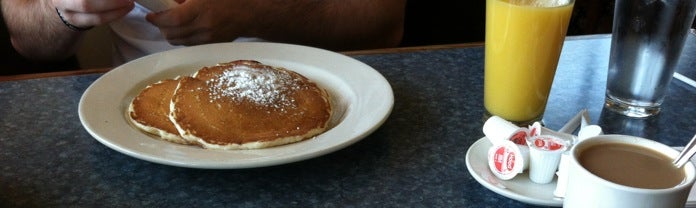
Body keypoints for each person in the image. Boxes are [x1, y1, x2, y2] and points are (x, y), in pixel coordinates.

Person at [2, 0, 406, 65]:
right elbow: (28, 38)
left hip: (327, 94)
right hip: (140, 123)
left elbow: (383, 22)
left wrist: (253, 14)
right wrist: (62, 11)